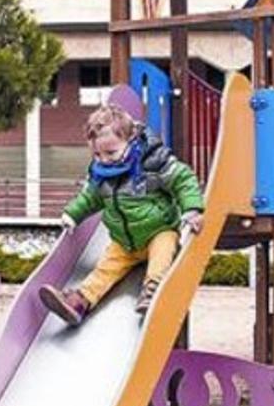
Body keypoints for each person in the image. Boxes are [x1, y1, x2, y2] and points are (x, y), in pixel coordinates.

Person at [39, 103, 204, 325]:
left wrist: (192, 209)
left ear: (132, 141)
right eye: (97, 154)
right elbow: (90, 198)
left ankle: (153, 291)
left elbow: (183, 180)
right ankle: (79, 303)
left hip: (159, 230)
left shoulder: (152, 163)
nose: (105, 159)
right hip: (125, 242)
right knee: (105, 269)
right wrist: (73, 214)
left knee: (163, 252)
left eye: (111, 152)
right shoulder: (102, 174)